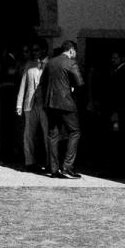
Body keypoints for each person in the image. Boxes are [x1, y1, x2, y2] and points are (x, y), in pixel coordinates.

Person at [41, 39, 84, 179]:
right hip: (66, 104)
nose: (75, 54)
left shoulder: (50, 62)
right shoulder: (71, 62)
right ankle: (67, 167)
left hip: (50, 103)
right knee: (75, 132)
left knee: (53, 135)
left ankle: (54, 169)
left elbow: (43, 83)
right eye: (75, 52)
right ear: (71, 50)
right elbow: (79, 83)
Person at [15, 41, 48, 172]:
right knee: (28, 134)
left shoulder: (51, 64)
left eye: (36, 50)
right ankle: (30, 162)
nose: (34, 53)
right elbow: (23, 84)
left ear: (44, 50)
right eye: (33, 50)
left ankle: (50, 162)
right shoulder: (30, 65)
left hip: (45, 105)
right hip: (30, 104)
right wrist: (19, 103)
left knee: (47, 135)